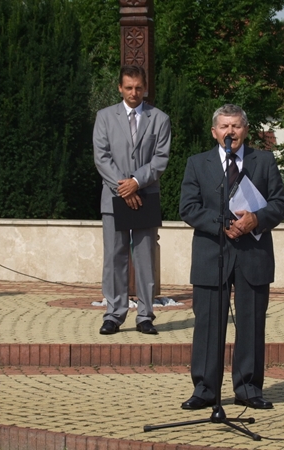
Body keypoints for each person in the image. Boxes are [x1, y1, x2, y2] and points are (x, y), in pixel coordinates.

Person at [178, 104, 284, 410]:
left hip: (253, 255)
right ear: (214, 132)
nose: (230, 132)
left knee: (251, 324)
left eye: (236, 126)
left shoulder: (263, 161)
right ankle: (205, 389)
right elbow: (188, 207)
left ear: (246, 130)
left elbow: (280, 204)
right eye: (224, 126)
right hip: (212, 255)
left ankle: (248, 388)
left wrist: (256, 219)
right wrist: (221, 223)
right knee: (208, 325)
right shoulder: (197, 164)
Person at [93, 65, 171, 335]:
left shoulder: (159, 119)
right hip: (113, 197)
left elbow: (160, 159)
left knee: (145, 258)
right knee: (114, 258)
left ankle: (145, 315)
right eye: (128, 87)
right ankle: (114, 314)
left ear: (145, 88)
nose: (134, 92)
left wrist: (136, 182)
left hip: (146, 196)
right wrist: (123, 187)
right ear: (120, 88)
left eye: (138, 88)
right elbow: (101, 157)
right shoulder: (104, 117)